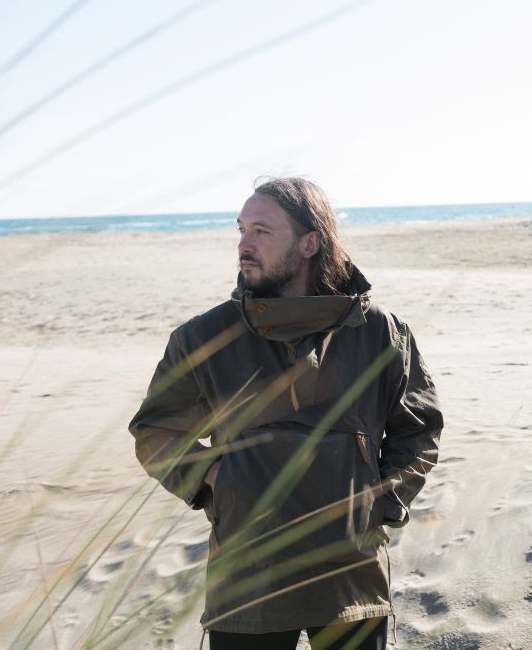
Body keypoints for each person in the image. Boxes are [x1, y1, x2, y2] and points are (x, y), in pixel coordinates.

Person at [129, 177, 442, 650]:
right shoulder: (202, 338)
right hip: (248, 580)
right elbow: (156, 430)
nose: (244, 244)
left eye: (262, 231)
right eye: (241, 230)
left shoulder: (379, 331)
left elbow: (417, 427)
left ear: (310, 243)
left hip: (351, 575)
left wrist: (381, 500)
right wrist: (218, 478)